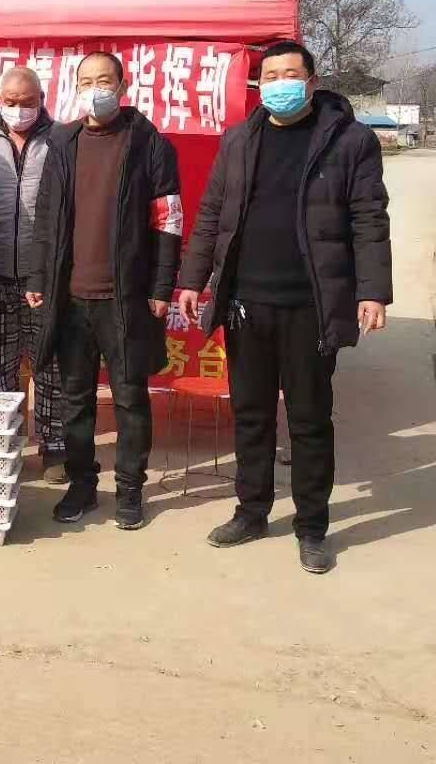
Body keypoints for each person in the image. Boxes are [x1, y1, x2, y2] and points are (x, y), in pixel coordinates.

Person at [177, 39, 391, 574]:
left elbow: (369, 218)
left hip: (309, 306)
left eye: (290, 74)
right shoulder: (239, 139)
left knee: (309, 419)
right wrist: (192, 279)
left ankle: (312, 527)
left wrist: (372, 290)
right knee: (249, 414)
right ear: (259, 86)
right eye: (269, 76)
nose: (279, 84)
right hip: (246, 303)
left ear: (312, 82)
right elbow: (211, 214)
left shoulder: (349, 140)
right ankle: (251, 512)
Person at [26, 52, 183, 530]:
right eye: (86, 81)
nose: (95, 89)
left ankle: (130, 491)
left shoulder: (150, 143)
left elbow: (168, 220)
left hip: (125, 298)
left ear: (123, 85)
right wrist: (38, 277)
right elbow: (46, 215)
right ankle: (82, 485)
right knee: (75, 398)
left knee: (130, 398)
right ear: (76, 88)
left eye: (104, 80)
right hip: (71, 298)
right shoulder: (62, 141)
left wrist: (161, 285)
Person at [0, 68, 66, 482]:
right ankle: (0, 444)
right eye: (10, 101)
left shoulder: (61, 139)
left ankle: (54, 447)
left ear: (41, 98)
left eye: (27, 101)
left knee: (50, 363)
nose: (18, 109)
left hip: (44, 274)